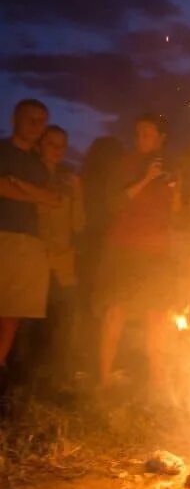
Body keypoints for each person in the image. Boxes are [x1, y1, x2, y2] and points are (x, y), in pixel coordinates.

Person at [96, 113, 182, 394]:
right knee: (116, 311)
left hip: (157, 252)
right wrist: (146, 178)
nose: (140, 139)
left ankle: (157, 382)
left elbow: (175, 213)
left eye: (146, 134)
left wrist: (175, 188)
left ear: (161, 139)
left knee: (156, 315)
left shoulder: (168, 169)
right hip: (125, 248)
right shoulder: (126, 164)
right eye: (138, 133)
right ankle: (104, 379)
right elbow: (113, 204)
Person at [0, 99, 59, 406]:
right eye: (31, 120)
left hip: (28, 241)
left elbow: (52, 199)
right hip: (3, 235)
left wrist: (20, 184)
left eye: (41, 121)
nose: (36, 127)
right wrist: (25, 191)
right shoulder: (3, 151)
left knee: (13, 313)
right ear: (16, 118)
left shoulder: (37, 165)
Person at [35, 125, 85, 382]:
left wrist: (77, 192)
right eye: (51, 144)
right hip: (33, 260)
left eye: (62, 146)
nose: (57, 150)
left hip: (63, 263)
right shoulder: (30, 176)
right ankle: (25, 377)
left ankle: (58, 377)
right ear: (40, 144)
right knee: (28, 321)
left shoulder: (68, 181)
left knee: (63, 320)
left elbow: (78, 224)